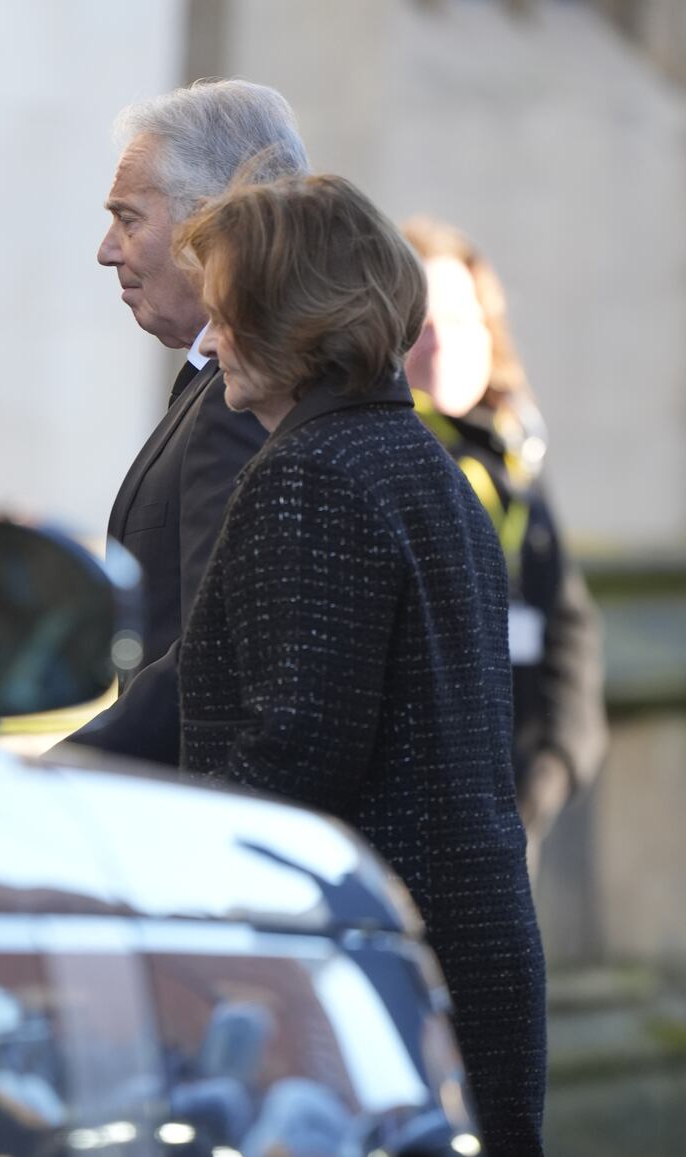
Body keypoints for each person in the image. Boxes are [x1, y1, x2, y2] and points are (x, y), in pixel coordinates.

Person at [173, 173, 546, 1157]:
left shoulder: (312, 471)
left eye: (222, 310)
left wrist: (162, 844)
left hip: (366, 975)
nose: (207, 341)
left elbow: (299, 748)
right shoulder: (416, 463)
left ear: (283, 315)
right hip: (452, 948)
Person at [65, 80, 309, 764]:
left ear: (212, 223)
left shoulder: (251, 401)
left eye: (129, 219)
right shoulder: (213, 384)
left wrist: (60, 770)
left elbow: (212, 660)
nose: (107, 250)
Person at [402, 216, 608, 875]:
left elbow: (570, 623)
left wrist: (552, 773)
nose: (439, 343)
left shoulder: (516, 455)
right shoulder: (384, 455)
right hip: (422, 825)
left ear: (490, 333)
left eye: (459, 322)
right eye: (420, 323)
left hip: (517, 820)